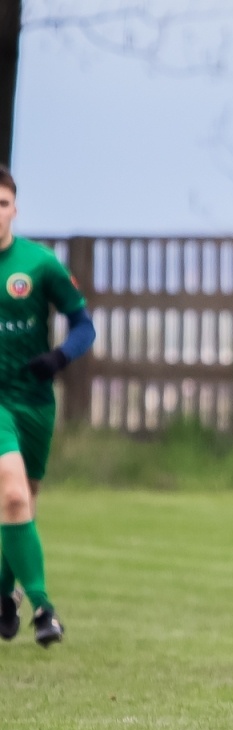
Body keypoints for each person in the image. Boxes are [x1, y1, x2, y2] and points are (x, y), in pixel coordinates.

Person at [0, 166, 96, 647]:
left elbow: (84, 326)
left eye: (1, 203)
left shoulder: (39, 264)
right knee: (13, 494)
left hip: (34, 401)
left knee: (22, 501)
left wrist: (59, 356)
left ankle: (3, 593)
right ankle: (43, 608)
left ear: (14, 208)